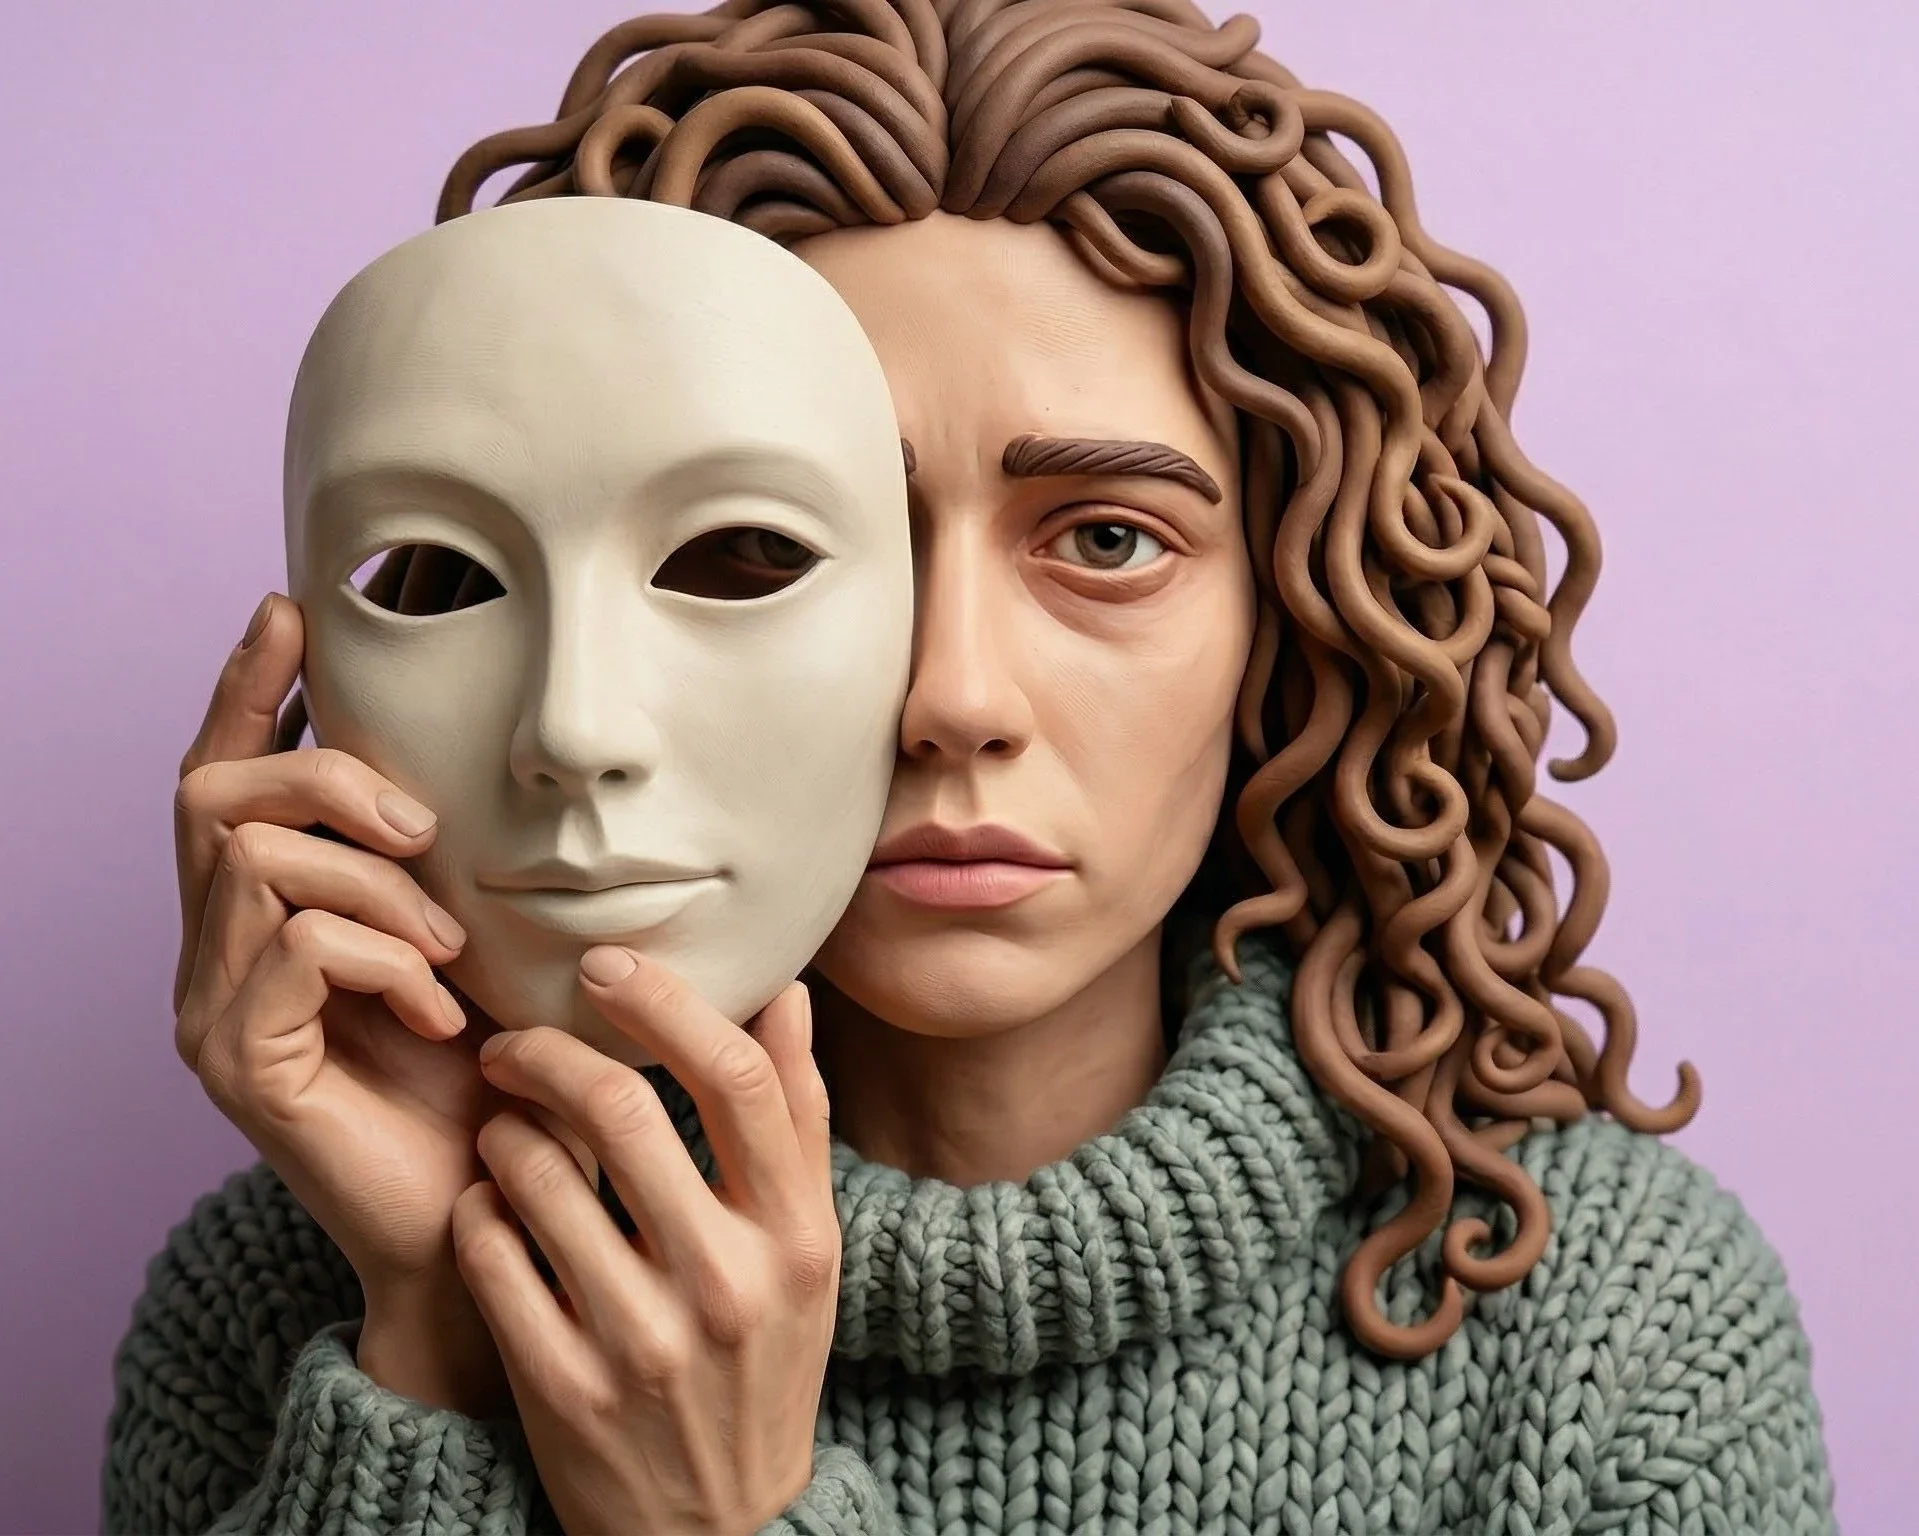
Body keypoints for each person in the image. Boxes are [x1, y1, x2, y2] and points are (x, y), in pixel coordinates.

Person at [102, 1, 1837, 1532]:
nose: (949, 695)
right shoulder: (292, 1305)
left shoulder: (1613, 1337)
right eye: (755, 551)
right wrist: (439, 1349)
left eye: (1102, 538)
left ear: (1296, 617)